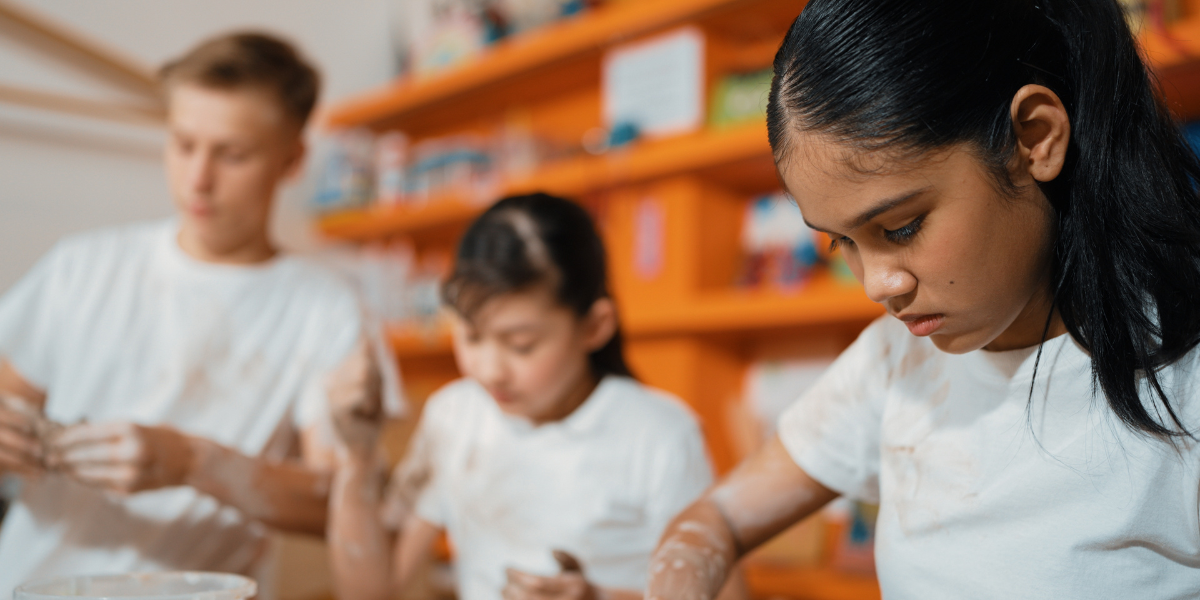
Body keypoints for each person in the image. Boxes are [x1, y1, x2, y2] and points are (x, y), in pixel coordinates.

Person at [647, 0, 1200, 598]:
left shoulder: (1183, 380)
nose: (877, 286)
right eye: (842, 242)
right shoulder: (894, 361)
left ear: (1035, 138)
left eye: (902, 227)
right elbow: (713, 524)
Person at [0, 32, 365, 598]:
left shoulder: (327, 307)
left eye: (233, 154)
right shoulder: (82, 268)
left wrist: (195, 462)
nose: (198, 178)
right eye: (182, 144)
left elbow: (341, 500)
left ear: (292, 158)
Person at [327, 194, 715, 600]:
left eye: (521, 344)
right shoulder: (455, 416)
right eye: (472, 335)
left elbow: (726, 594)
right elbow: (374, 591)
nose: (490, 370)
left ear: (595, 326)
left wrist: (602, 598)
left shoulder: (660, 435)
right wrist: (357, 456)